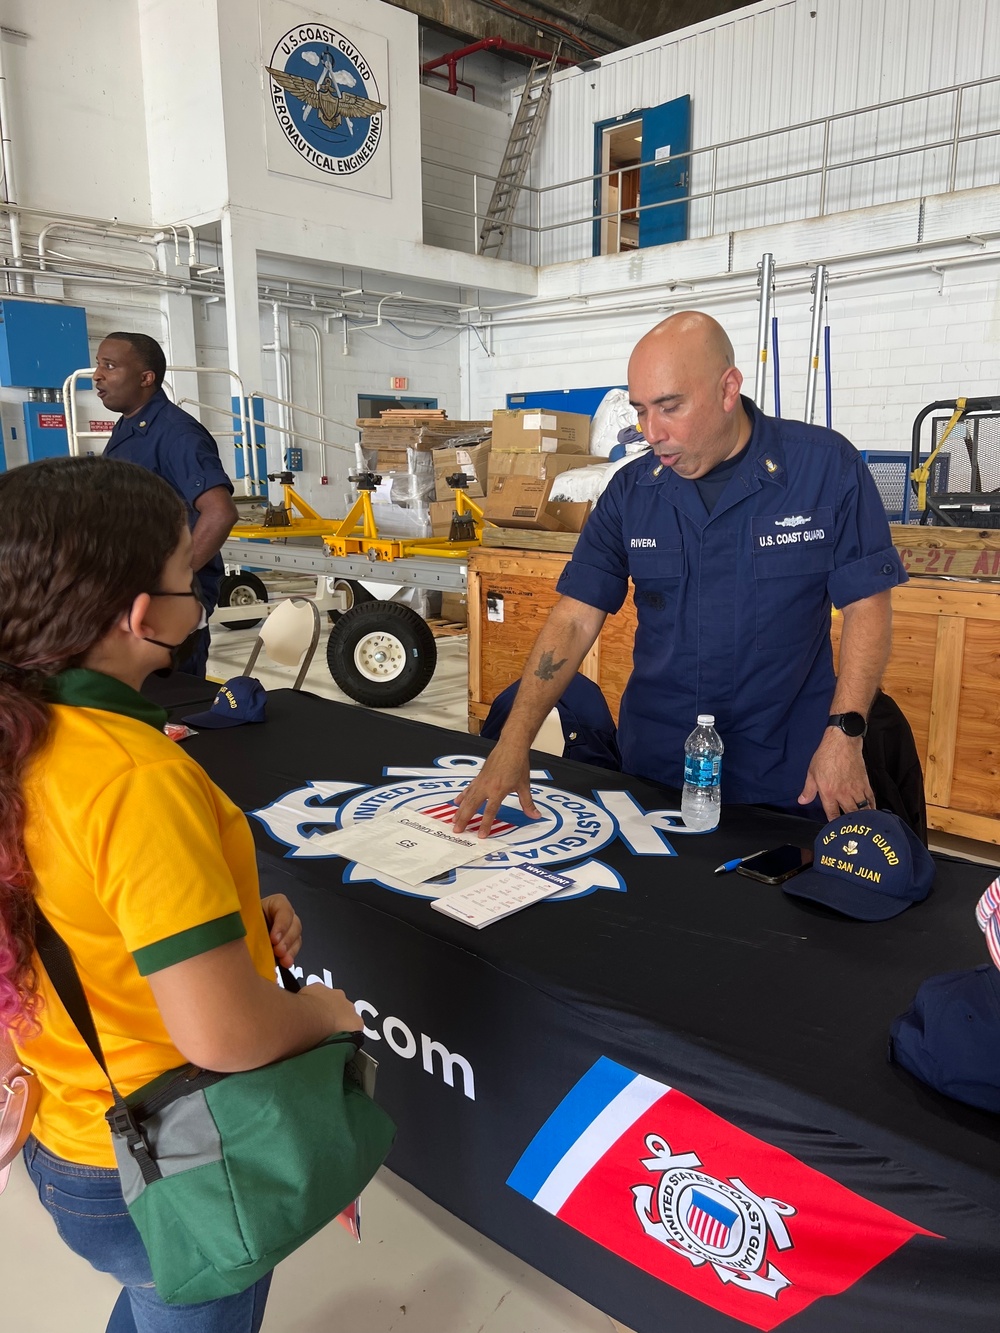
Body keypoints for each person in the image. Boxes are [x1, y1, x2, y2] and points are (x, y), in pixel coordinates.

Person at [0, 456, 362, 1332]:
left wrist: (234, 924)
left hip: (71, 1125)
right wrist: (328, 1013)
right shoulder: (131, 774)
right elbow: (224, 1033)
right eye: (182, 576)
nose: (195, 594)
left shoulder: (28, 736)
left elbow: (67, 909)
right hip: (171, 1153)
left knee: (158, 1302)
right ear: (138, 613)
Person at [455, 311, 906, 836]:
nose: (653, 433)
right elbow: (575, 620)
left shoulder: (825, 470)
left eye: (670, 407)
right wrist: (512, 745)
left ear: (728, 388)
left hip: (788, 768)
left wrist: (844, 734)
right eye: (642, 411)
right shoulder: (631, 492)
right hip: (657, 769)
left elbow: (867, 606)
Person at [97, 332, 239, 677]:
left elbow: (220, 512)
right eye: (98, 365)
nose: (97, 376)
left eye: (110, 366)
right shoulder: (129, 427)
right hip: (133, 591)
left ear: (147, 378)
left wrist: (170, 582)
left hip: (167, 606)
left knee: (173, 710)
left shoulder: (177, 434)